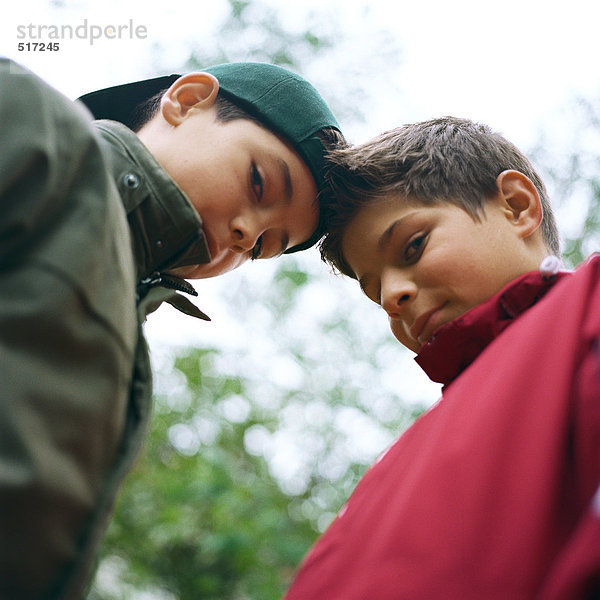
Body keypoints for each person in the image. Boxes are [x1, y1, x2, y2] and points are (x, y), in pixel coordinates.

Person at [0, 57, 344, 600]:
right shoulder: (29, 122)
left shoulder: (129, 339)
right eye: (258, 182)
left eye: (260, 247)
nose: (243, 232)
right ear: (186, 101)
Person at [284, 117, 600, 599]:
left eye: (413, 246)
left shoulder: (586, 319)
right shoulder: (393, 466)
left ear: (517, 207)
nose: (392, 296)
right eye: (374, 292)